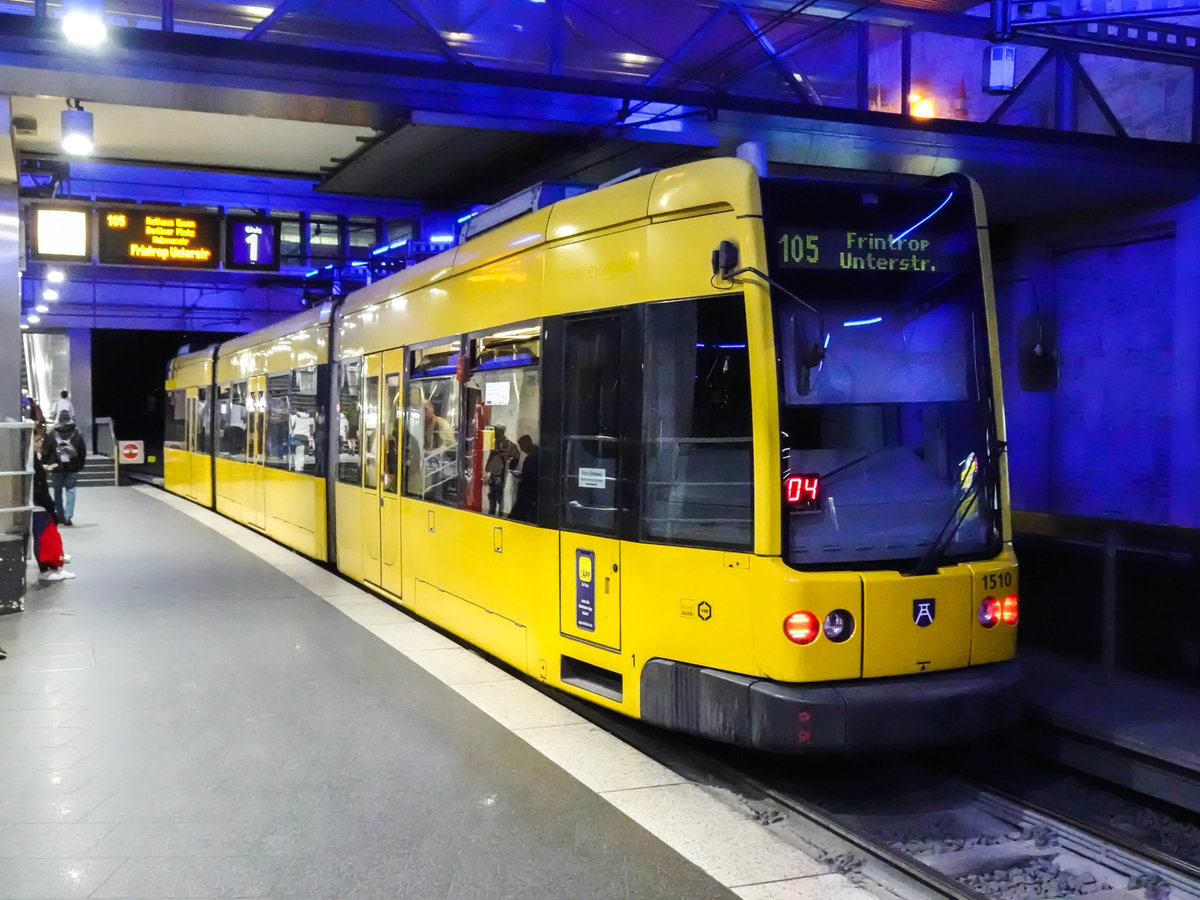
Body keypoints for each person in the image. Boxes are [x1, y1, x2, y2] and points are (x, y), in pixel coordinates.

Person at [31, 426, 74, 582]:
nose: (41, 442)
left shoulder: (32, 458)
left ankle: (52, 567)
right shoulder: (31, 460)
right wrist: (49, 506)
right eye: (37, 440)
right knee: (43, 537)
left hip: (37, 503)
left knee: (46, 536)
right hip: (38, 503)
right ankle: (47, 569)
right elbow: (38, 486)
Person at [43, 415, 87, 526]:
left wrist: (46, 464)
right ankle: (68, 516)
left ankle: (60, 516)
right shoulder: (76, 434)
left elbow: (46, 451)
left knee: (57, 492)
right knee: (71, 491)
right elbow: (82, 452)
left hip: (56, 467)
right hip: (72, 467)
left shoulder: (52, 434)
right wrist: (79, 465)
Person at [508, 434, 539, 523]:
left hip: (528, 493)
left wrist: (520, 476)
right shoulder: (534, 454)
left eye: (522, 446)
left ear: (527, 443)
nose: (521, 449)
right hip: (528, 492)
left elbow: (530, 476)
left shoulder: (533, 457)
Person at [484, 426, 514, 516]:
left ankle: (500, 514)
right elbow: (491, 455)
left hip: (500, 473)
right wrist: (487, 467)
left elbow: (508, 457)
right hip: (494, 473)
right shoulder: (495, 442)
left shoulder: (506, 443)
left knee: (499, 495)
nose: (495, 434)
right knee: (492, 494)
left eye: (497, 432)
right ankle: (492, 512)